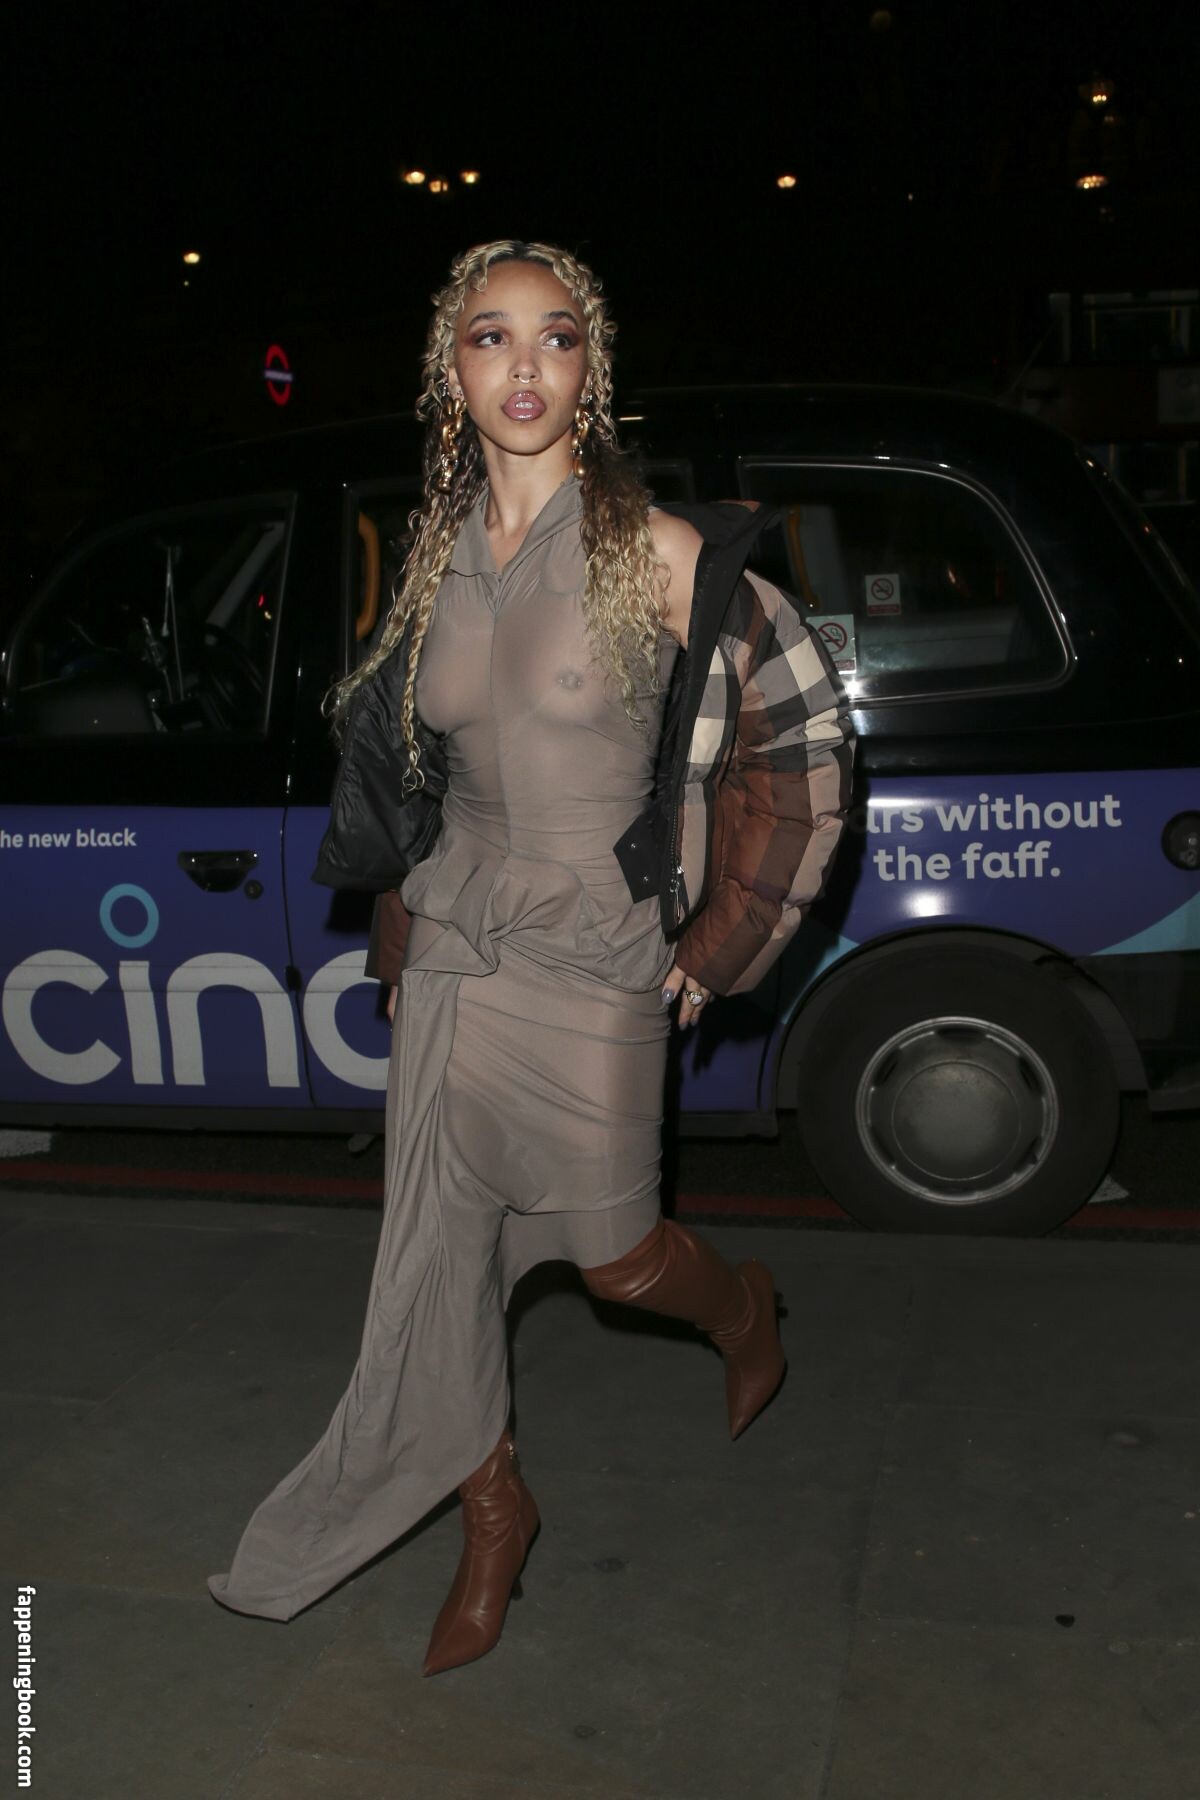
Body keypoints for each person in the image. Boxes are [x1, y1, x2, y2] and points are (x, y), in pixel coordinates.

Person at [207, 239, 853, 1674]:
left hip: (596, 947)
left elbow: (805, 739)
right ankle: (493, 1513)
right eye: (490, 336)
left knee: (618, 1260)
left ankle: (741, 1305)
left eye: (556, 337)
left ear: (589, 370)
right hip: (456, 946)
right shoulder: (427, 557)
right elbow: (417, 773)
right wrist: (399, 927)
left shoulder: (659, 552)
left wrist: (720, 945)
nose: (524, 364)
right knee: (441, 1268)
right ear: (452, 370)